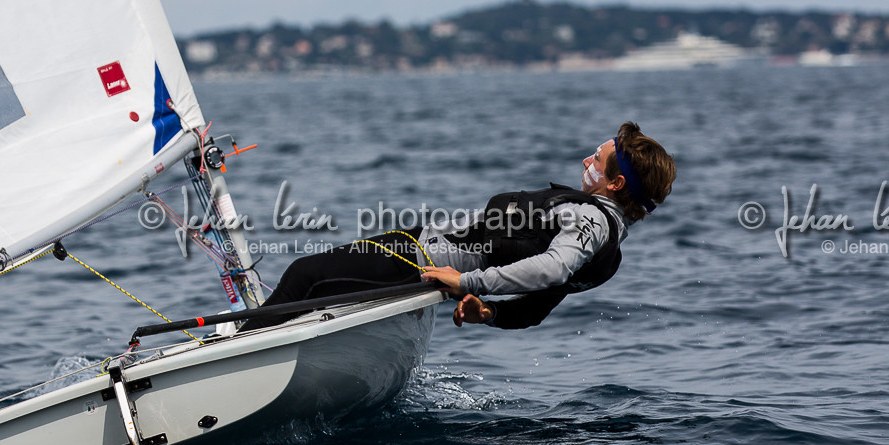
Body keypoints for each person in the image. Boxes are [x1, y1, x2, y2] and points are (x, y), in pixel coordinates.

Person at [251, 122, 675, 330]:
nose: (587, 161)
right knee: (317, 287)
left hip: (415, 262)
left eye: (596, 161)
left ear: (615, 184)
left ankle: (231, 351)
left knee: (305, 276)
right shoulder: (607, 247)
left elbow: (552, 270)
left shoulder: (588, 220)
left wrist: (469, 281)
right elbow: (540, 304)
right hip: (416, 252)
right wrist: (488, 313)